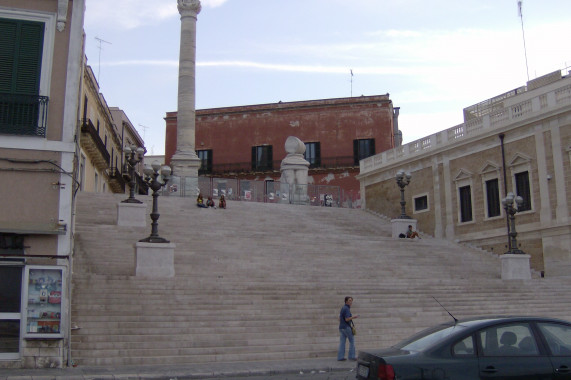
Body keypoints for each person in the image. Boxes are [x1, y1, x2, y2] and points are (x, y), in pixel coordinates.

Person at [337, 296, 359, 361]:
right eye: (349, 300)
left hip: (341, 327)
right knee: (352, 341)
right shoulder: (346, 308)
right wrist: (354, 317)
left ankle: (340, 357)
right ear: (346, 301)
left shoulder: (343, 308)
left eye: (351, 300)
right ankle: (351, 356)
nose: (351, 302)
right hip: (346, 327)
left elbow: (339, 318)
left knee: (342, 342)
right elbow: (347, 319)